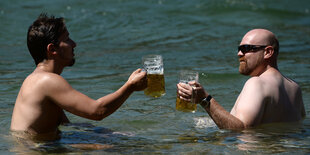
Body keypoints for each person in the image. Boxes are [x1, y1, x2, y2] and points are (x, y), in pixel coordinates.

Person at [10, 13, 147, 140]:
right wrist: (130, 87)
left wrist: (105, 132)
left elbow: (67, 125)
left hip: (40, 146)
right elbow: (97, 111)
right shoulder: (47, 81)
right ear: (52, 49)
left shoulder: (36, 79)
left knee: (113, 142)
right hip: (38, 150)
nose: (74, 44)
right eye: (67, 39)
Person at [177, 29, 306, 129]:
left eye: (246, 49)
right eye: (239, 49)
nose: (239, 54)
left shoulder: (257, 84)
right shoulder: (295, 88)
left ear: (268, 52)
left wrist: (205, 100)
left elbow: (241, 131)